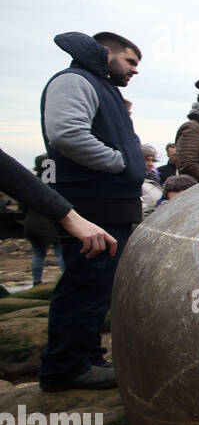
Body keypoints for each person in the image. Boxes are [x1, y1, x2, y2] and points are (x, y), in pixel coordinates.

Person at [38, 31, 142, 391]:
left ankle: (86, 356)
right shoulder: (75, 80)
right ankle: (66, 366)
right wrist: (120, 163)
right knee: (85, 284)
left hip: (108, 207)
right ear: (106, 52)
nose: (134, 70)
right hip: (90, 208)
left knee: (98, 286)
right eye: (130, 61)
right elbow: (66, 133)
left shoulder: (102, 86)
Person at [23, 154, 67, 285]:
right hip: (51, 226)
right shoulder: (56, 183)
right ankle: (65, 280)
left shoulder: (30, 182)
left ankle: (36, 282)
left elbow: (23, 206)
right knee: (60, 253)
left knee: (38, 254)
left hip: (31, 225)